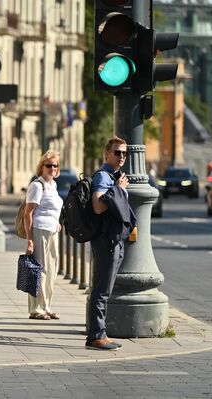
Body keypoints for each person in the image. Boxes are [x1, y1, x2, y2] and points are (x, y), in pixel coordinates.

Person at [88, 137, 136, 351]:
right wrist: (117, 188)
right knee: (101, 290)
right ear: (107, 153)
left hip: (114, 238)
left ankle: (101, 333)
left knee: (105, 289)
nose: (121, 156)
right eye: (117, 152)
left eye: (124, 153)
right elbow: (98, 206)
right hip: (106, 240)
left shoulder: (116, 178)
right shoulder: (103, 177)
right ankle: (96, 335)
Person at [23, 150, 63, 320]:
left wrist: (57, 223)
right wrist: (30, 239)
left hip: (52, 231)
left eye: (55, 166)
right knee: (41, 270)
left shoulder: (53, 185)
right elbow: (28, 214)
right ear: (42, 167)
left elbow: (52, 209)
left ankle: (46, 306)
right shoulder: (36, 186)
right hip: (39, 230)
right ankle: (36, 309)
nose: (52, 168)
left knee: (52, 270)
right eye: (49, 166)